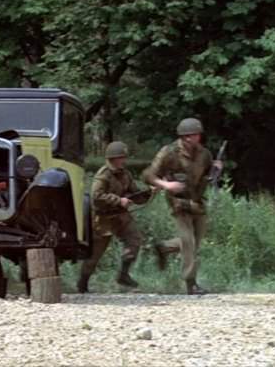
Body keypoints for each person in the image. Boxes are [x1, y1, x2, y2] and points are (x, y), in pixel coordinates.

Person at [143, 118, 223, 295]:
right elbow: (148, 175)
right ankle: (191, 283)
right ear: (183, 137)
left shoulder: (204, 154)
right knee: (188, 241)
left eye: (195, 135)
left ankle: (164, 247)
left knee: (194, 243)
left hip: (197, 201)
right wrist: (166, 185)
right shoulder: (169, 152)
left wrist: (216, 169)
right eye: (189, 135)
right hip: (178, 201)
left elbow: (209, 176)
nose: (193, 138)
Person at [77, 141, 145, 293]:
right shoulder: (103, 175)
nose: (124, 160)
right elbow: (96, 196)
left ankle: (123, 275)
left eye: (124, 157)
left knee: (134, 240)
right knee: (95, 255)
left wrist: (147, 193)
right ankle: (82, 283)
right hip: (103, 219)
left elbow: (135, 193)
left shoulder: (126, 174)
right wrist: (119, 200)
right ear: (113, 159)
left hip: (121, 216)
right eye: (121, 157)